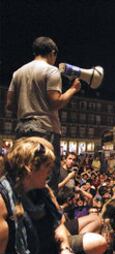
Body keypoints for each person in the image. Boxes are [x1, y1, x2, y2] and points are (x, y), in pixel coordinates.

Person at [0, 137, 104, 254]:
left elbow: (59, 225)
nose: (50, 172)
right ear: (30, 168)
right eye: (47, 167)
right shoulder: (3, 200)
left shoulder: (43, 191)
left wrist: (65, 250)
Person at [6, 37, 81, 194]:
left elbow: (10, 105)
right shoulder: (50, 70)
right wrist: (73, 89)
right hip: (45, 129)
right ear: (53, 53)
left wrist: (27, 107)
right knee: (46, 178)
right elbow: (56, 102)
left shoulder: (18, 73)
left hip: (22, 129)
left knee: (23, 174)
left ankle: (23, 214)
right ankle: (46, 216)